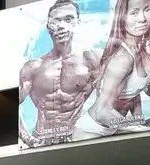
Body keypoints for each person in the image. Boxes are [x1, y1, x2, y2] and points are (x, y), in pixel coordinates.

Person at [19, 0, 103, 146]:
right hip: (41, 141)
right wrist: (28, 139)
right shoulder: (33, 67)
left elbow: (110, 100)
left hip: (76, 139)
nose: (62, 26)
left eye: (68, 19)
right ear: (48, 27)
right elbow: (11, 107)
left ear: (78, 22)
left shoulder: (91, 60)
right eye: (56, 21)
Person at [73, 0, 150, 139]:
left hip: (114, 129)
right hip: (91, 131)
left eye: (147, 10)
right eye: (134, 12)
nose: (142, 18)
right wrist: (139, 129)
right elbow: (102, 111)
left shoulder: (144, 51)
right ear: (122, 17)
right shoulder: (123, 59)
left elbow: (134, 93)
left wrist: (140, 121)